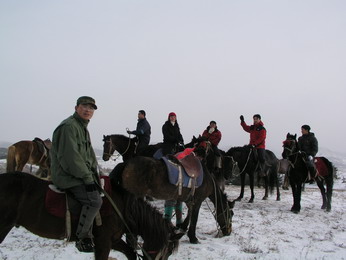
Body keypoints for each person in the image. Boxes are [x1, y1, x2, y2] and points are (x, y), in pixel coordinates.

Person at [50, 96, 103, 253]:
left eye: (91, 108)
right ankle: (83, 237)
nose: (88, 110)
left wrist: (96, 175)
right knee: (94, 201)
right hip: (67, 175)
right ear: (76, 108)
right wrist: (88, 178)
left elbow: (89, 156)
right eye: (84, 106)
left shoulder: (82, 127)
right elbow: (71, 158)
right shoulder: (69, 127)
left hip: (78, 173)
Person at [162, 112, 184, 226]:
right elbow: (167, 136)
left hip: (176, 145)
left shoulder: (176, 125)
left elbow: (179, 135)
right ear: (169, 117)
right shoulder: (165, 125)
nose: (172, 118)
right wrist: (175, 139)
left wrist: (181, 140)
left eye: (174, 116)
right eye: (171, 116)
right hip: (168, 146)